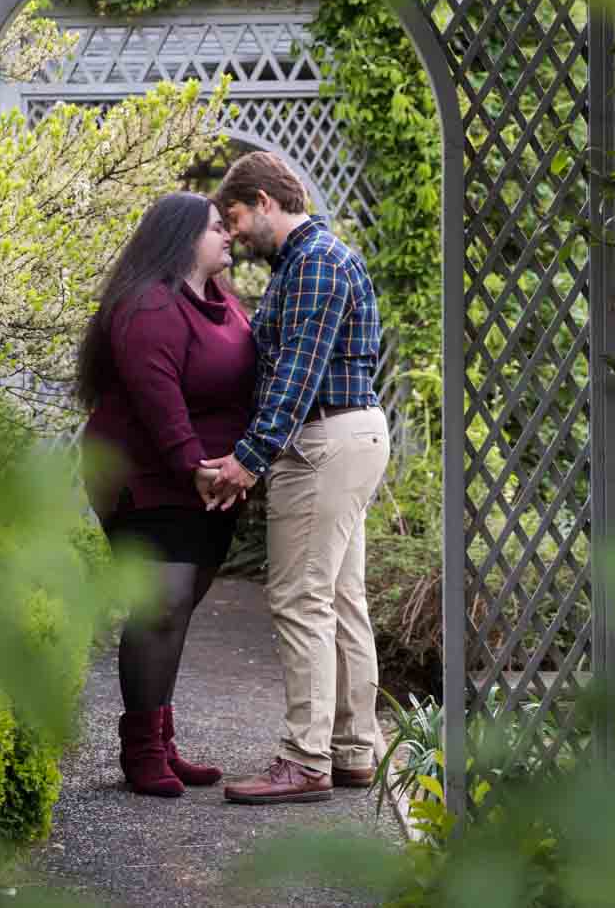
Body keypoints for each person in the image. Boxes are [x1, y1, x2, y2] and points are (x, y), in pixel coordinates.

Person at [196, 151, 389, 805]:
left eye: (237, 215)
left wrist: (249, 458)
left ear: (266, 200)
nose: (235, 231)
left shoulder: (314, 264)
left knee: (301, 598)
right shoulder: (311, 262)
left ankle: (306, 759)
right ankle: (353, 748)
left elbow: (296, 377)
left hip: (324, 440)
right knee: (339, 598)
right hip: (347, 431)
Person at [77, 191, 256, 798]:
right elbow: (160, 401)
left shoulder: (222, 305)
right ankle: (141, 751)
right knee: (162, 602)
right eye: (215, 228)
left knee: (180, 605)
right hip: (146, 473)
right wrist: (194, 467)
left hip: (207, 480)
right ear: (182, 238)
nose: (227, 235)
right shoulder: (150, 307)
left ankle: (163, 741)